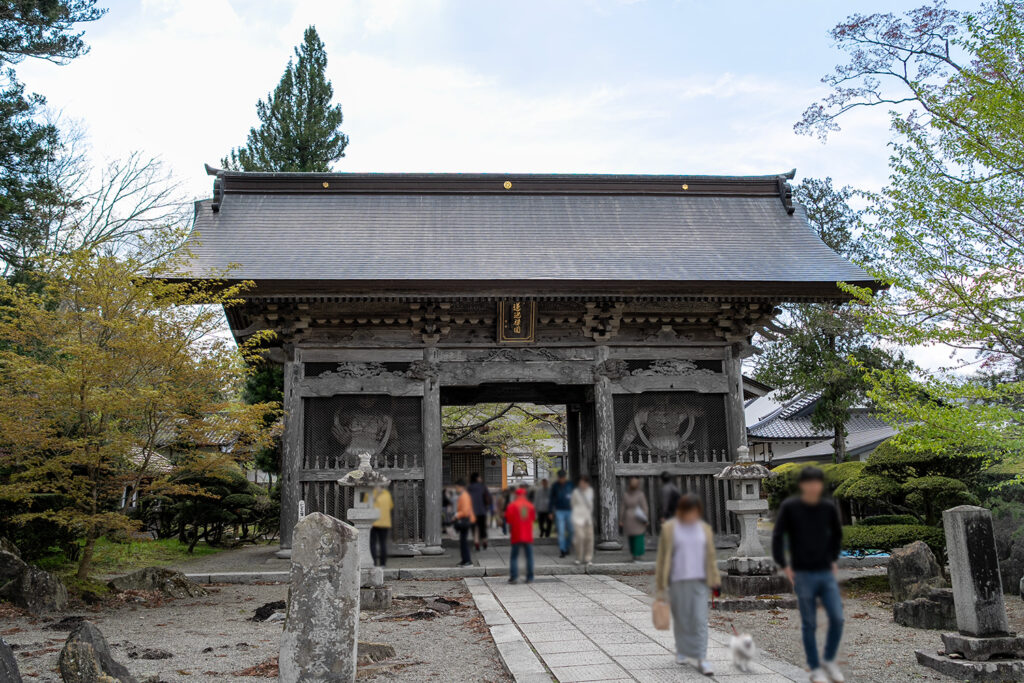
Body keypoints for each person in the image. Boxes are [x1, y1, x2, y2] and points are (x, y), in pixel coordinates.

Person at [772, 466, 845, 683]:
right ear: (802, 485)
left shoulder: (827, 507)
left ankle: (829, 659)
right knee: (809, 622)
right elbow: (778, 536)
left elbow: (837, 534)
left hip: (825, 571)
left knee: (837, 618)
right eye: (809, 482)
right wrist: (785, 565)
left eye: (817, 483)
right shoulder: (790, 507)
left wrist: (833, 558)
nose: (813, 487)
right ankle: (815, 667)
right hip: (802, 573)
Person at [654, 494, 720, 676]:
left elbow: (710, 556)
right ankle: (682, 649)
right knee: (682, 619)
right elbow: (662, 558)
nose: (692, 515)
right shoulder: (670, 528)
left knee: (699, 619)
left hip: (699, 580)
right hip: (678, 580)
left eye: (695, 512)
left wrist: (715, 579)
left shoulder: (704, 529)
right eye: (688, 511)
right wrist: (661, 586)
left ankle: (702, 658)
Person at [505, 487, 536, 584]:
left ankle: (514, 577)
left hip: (516, 534)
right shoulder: (530, 505)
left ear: (516, 495)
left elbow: (509, 520)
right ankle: (530, 577)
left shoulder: (512, 505)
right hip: (527, 535)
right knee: (529, 556)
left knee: (514, 556)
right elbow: (533, 518)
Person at [620, 477, 650, 560]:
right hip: (638, 516)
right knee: (639, 536)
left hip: (628, 516)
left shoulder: (626, 495)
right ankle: (638, 553)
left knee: (631, 536)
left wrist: (621, 520)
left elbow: (622, 508)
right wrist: (646, 518)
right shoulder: (640, 495)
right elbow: (645, 507)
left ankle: (633, 553)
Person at [570, 474, 594, 566]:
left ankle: (588, 558)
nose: (582, 484)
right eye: (581, 482)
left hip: (587, 518)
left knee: (589, 539)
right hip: (578, 518)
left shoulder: (590, 491)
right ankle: (579, 557)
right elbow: (573, 504)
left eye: (584, 482)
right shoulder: (576, 492)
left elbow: (590, 504)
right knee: (579, 538)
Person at [549, 469, 574, 558]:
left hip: (570, 510)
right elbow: (552, 499)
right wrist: (550, 511)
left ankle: (567, 546)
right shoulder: (555, 486)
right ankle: (562, 549)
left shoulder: (570, 485)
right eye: (560, 477)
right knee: (561, 531)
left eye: (563, 477)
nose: (561, 479)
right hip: (559, 511)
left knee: (571, 530)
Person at [370, 483, 394, 567]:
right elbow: (391, 506)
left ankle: (373, 562)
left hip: (373, 522)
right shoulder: (387, 494)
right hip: (384, 523)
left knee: (372, 543)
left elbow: (366, 505)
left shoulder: (370, 493)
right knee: (383, 543)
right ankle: (383, 563)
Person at [467, 472, 491, 551]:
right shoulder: (483, 487)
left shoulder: (469, 488)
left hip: (472, 512)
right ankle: (484, 541)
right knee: (482, 527)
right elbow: (488, 497)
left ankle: (476, 542)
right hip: (482, 510)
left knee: (475, 528)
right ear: (477, 478)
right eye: (480, 477)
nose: (481, 478)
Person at [454, 479, 475, 567]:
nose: (456, 489)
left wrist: (457, 515)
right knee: (463, 541)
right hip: (466, 520)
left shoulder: (464, 496)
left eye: (456, 487)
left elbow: (465, 511)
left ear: (461, 487)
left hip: (465, 520)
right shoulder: (464, 495)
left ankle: (467, 561)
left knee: (463, 541)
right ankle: (464, 560)